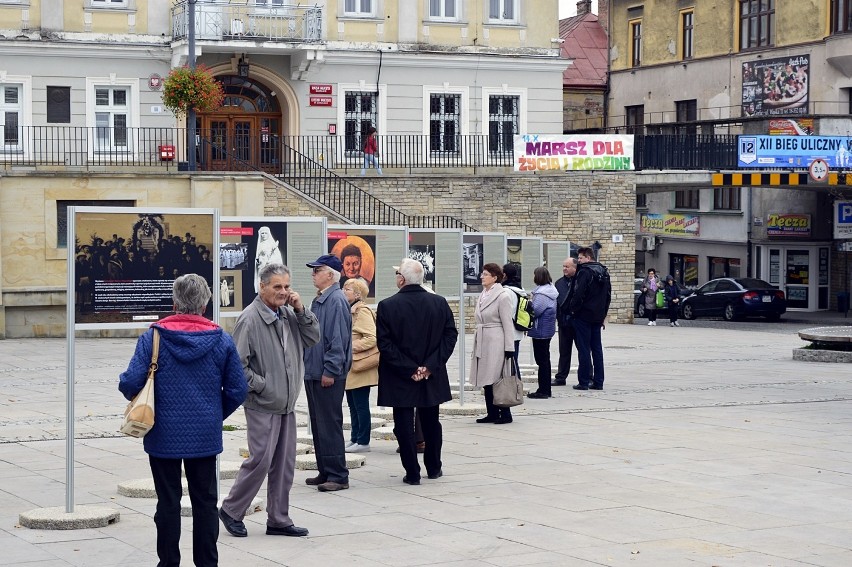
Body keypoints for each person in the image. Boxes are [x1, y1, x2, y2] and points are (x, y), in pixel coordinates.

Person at [119, 274, 248, 566]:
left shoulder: (153, 337)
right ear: (205, 303)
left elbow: (130, 384)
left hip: (162, 434)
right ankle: (206, 563)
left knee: (167, 503)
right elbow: (239, 390)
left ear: (175, 302)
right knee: (205, 503)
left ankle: (168, 563)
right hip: (204, 436)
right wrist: (214, 414)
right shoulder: (221, 339)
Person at [218, 264, 319, 540]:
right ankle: (231, 509)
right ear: (262, 287)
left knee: (284, 464)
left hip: (286, 404)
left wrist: (301, 310)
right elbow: (237, 367)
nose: (283, 292)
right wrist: (264, 386)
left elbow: (313, 338)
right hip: (262, 403)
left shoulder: (288, 313)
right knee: (260, 461)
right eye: (277, 287)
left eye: (287, 286)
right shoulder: (250, 319)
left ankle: (278, 518)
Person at [376, 258, 458, 484]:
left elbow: (385, 344)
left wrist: (410, 369)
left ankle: (412, 472)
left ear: (401, 279)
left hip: (399, 374)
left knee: (403, 423)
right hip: (431, 373)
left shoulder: (387, 305)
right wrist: (429, 366)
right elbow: (450, 336)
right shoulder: (439, 303)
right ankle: (433, 467)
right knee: (432, 421)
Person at [304, 254, 352, 492]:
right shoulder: (322, 299)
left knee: (329, 424)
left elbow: (338, 339)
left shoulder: (335, 300)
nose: (313, 274)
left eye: (317, 270)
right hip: (314, 371)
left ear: (331, 275)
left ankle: (338, 475)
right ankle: (325, 470)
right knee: (318, 423)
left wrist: (330, 370)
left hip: (326, 374)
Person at [469, 263, 516, 424]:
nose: (482, 276)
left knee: (497, 377)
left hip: (496, 340)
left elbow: (507, 323)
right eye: (482, 273)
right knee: (486, 378)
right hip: (483, 339)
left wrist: (509, 347)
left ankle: (505, 412)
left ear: (495, 278)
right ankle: (492, 412)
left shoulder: (502, 296)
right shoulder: (483, 294)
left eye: (486, 274)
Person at [568, 247, 612, 391]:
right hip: (597, 316)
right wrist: (603, 314)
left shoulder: (585, 272)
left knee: (584, 348)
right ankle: (599, 381)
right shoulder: (604, 272)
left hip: (583, 315)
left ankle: (584, 381)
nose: (578, 261)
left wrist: (573, 310)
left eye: (580, 258)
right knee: (597, 349)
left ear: (588, 257)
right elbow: (608, 296)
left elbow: (578, 293)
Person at [342, 277, 378, 453]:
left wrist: (349, 348)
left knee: (361, 404)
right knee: (352, 404)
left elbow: (371, 338)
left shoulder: (362, 311)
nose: (343, 291)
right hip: (351, 366)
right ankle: (355, 437)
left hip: (360, 366)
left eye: (347, 289)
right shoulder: (350, 309)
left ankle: (363, 440)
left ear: (357, 294)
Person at [527, 266, 558, 399]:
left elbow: (536, 311)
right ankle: (545, 388)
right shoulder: (551, 290)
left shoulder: (541, 294)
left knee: (542, 360)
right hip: (548, 328)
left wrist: (528, 305)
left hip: (540, 329)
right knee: (545, 359)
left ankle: (543, 390)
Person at [552, 257, 577, 387]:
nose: (564, 269)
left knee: (583, 350)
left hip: (578, 322)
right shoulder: (559, 283)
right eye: (563, 266)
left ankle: (588, 376)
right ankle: (561, 377)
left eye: (567, 267)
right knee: (564, 351)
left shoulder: (580, 281)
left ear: (575, 267)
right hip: (563, 322)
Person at [253, 226, 283, 293]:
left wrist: (270, 262)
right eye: (262, 233)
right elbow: (257, 257)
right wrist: (258, 261)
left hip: (269, 268)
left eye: (265, 233)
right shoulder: (260, 245)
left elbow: (277, 257)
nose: (263, 235)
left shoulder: (272, 244)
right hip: (261, 266)